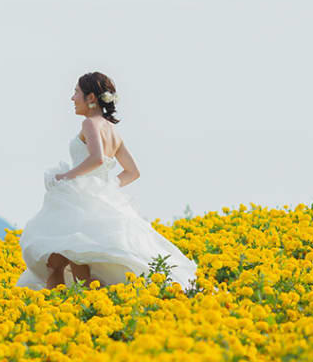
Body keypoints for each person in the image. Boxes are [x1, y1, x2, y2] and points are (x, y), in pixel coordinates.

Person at [16, 72, 197, 291]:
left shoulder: (90, 124)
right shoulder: (113, 131)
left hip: (79, 200)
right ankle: (85, 301)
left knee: (62, 262)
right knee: (67, 260)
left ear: (91, 97)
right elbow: (132, 172)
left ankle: (68, 303)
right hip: (97, 200)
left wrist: (66, 177)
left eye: (76, 92)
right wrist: (107, 187)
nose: (72, 98)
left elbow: (97, 159)